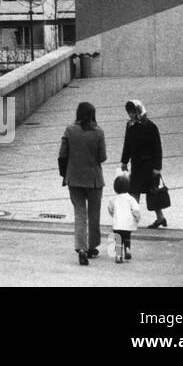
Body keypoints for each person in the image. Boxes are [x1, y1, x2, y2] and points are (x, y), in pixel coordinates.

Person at [58, 101, 106, 265]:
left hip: (74, 178)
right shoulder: (98, 132)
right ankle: (92, 247)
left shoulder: (70, 130)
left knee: (80, 214)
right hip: (94, 180)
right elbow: (102, 157)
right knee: (94, 214)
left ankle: (81, 249)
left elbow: (62, 154)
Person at [120, 100, 167, 228]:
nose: (131, 115)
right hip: (137, 164)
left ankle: (160, 218)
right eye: (129, 112)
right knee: (134, 191)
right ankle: (134, 218)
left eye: (133, 112)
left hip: (149, 165)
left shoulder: (151, 126)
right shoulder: (130, 125)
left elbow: (157, 148)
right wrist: (124, 161)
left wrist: (157, 167)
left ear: (139, 110)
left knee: (153, 192)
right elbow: (127, 144)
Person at [106, 173, 143, 263]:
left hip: (117, 223)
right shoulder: (131, 199)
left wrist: (113, 216)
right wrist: (137, 219)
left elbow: (110, 209)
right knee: (127, 237)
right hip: (128, 223)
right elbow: (135, 210)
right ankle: (127, 250)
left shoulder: (113, 199)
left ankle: (118, 256)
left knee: (118, 239)